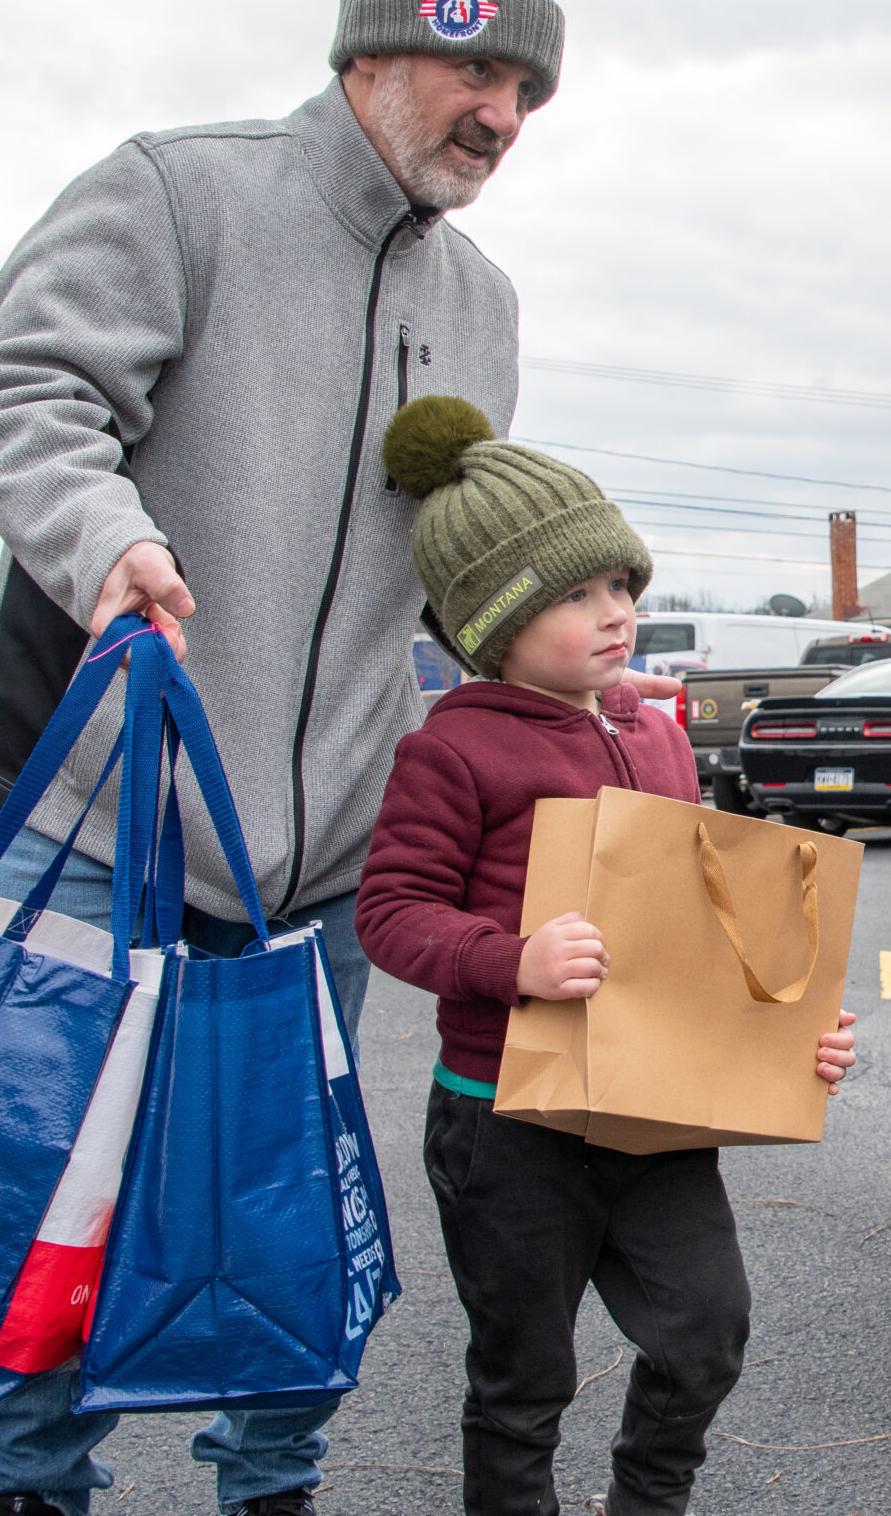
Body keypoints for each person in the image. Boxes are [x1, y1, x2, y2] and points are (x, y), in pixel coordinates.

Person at [0, 0, 666, 1516]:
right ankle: (27, 1488)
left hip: (326, 863)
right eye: (475, 66)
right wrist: (106, 537)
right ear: (373, 45)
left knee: (279, 1208)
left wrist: (587, 680)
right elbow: (23, 398)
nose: (502, 114)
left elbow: (464, 580)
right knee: (50, 1204)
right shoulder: (178, 191)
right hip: (104, 822)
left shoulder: (482, 302)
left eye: (529, 91)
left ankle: (269, 1484)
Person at [355, 399, 859, 1516]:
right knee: (522, 1377)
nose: (615, 613)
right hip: (506, 1122)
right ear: (491, 622)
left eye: (621, 586)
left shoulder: (659, 734)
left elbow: (705, 927)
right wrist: (511, 960)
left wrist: (792, 1038)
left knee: (706, 1332)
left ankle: (647, 1498)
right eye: (575, 595)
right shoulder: (452, 752)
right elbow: (390, 911)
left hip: (650, 1111)